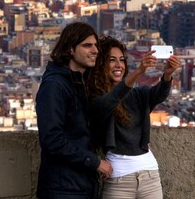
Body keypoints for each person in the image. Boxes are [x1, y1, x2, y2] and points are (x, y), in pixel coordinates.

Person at [89, 37, 181, 199]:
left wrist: (167, 76)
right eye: (112, 60)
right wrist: (138, 71)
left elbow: (158, 94)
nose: (119, 65)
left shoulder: (137, 95)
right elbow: (112, 99)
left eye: (122, 60)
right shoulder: (96, 98)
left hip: (149, 175)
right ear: (100, 64)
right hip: (119, 178)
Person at [36, 22, 112, 198]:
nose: (95, 50)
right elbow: (52, 139)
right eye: (87, 45)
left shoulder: (79, 83)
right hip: (63, 189)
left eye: (96, 46)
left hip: (81, 186)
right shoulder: (55, 86)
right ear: (70, 49)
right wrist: (95, 162)